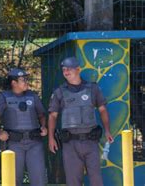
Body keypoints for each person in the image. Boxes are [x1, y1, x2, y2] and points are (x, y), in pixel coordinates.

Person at [48, 56, 114, 186]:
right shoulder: (59, 92)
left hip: (91, 142)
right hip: (70, 143)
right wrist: (51, 138)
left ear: (78, 69)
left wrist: (107, 131)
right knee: (73, 180)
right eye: (64, 70)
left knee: (96, 179)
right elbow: (52, 116)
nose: (66, 72)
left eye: (69, 69)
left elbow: (102, 109)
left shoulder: (92, 89)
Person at [0, 68, 47, 186]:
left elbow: (41, 115)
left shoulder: (32, 96)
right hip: (14, 144)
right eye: (23, 79)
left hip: (34, 143)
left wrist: (44, 126)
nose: (26, 82)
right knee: (13, 180)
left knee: (39, 179)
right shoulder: (4, 97)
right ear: (14, 83)